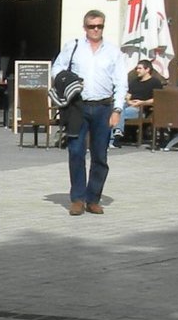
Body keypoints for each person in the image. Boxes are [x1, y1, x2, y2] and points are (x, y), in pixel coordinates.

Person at [52, 11, 127, 215]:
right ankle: (77, 198)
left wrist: (117, 110)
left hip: (103, 107)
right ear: (84, 27)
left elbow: (121, 83)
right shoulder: (73, 47)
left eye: (99, 26)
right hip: (78, 106)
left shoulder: (113, 52)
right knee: (76, 151)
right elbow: (56, 69)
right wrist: (70, 80)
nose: (96, 30)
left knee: (100, 155)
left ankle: (93, 198)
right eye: (92, 26)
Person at [120, 57, 163, 145]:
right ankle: (117, 132)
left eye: (140, 68)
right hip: (129, 105)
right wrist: (128, 101)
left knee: (118, 113)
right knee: (116, 109)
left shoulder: (155, 82)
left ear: (147, 69)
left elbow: (157, 99)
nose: (137, 71)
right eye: (137, 68)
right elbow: (128, 96)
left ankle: (114, 137)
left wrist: (142, 102)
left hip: (141, 109)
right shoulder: (134, 82)